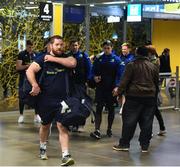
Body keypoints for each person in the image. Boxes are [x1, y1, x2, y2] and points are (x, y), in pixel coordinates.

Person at [26, 35, 76, 166]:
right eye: (57, 45)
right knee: (45, 125)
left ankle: (65, 155)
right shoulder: (42, 59)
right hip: (46, 100)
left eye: (61, 44)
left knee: (62, 126)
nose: (60, 47)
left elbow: (72, 63)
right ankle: (42, 147)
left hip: (63, 100)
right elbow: (29, 71)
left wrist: (54, 59)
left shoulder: (66, 57)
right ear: (51, 46)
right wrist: (34, 85)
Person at [113, 46, 159, 152]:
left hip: (134, 97)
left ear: (137, 53)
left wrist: (119, 92)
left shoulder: (132, 65)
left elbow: (125, 81)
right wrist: (154, 96)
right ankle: (145, 145)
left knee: (129, 121)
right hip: (150, 98)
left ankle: (124, 144)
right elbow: (156, 83)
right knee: (147, 122)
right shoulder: (153, 66)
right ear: (147, 54)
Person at [90, 40, 121, 139]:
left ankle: (109, 129)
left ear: (111, 48)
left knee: (111, 110)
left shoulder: (116, 60)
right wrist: (94, 77)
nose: (106, 50)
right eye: (105, 48)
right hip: (100, 88)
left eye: (108, 48)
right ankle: (97, 130)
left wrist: (117, 86)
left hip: (111, 88)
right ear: (102, 48)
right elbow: (92, 71)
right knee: (98, 108)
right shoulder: (99, 59)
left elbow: (119, 75)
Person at [68, 38, 92, 132]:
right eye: (73, 45)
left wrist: (88, 81)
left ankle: (81, 124)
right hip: (70, 84)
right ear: (70, 46)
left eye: (76, 45)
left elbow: (89, 69)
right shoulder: (67, 56)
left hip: (81, 84)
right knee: (72, 104)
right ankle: (73, 123)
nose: (74, 47)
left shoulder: (84, 56)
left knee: (81, 103)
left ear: (78, 46)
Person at [16, 40, 41, 123]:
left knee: (36, 96)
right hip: (23, 79)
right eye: (29, 47)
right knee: (22, 97)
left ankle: (36, 115)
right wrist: (28, 66)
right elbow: (18, 67)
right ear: (26, 46)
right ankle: (21, 115)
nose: (31, 48)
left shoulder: (37, 55)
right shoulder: (21, 54)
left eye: (32, 47)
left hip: (34, 79)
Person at [147, 45, 166, 136]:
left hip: (152, 88)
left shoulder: (155, 61)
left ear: (151, 52)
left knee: (151, 110)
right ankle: (162, 128)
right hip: (150, 87)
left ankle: (150, 131)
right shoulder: (149, 60)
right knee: (154, 110)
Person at [119, 42, 135, 114]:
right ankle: (122, 106)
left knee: (124, 94)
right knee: (119, 95)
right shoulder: (120, 57)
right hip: (120, 79)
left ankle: (123, 107)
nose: (123, 51)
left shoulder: (132, 58)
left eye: (125, 49)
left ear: (129, 49)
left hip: (128, 80)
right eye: (122, 49)